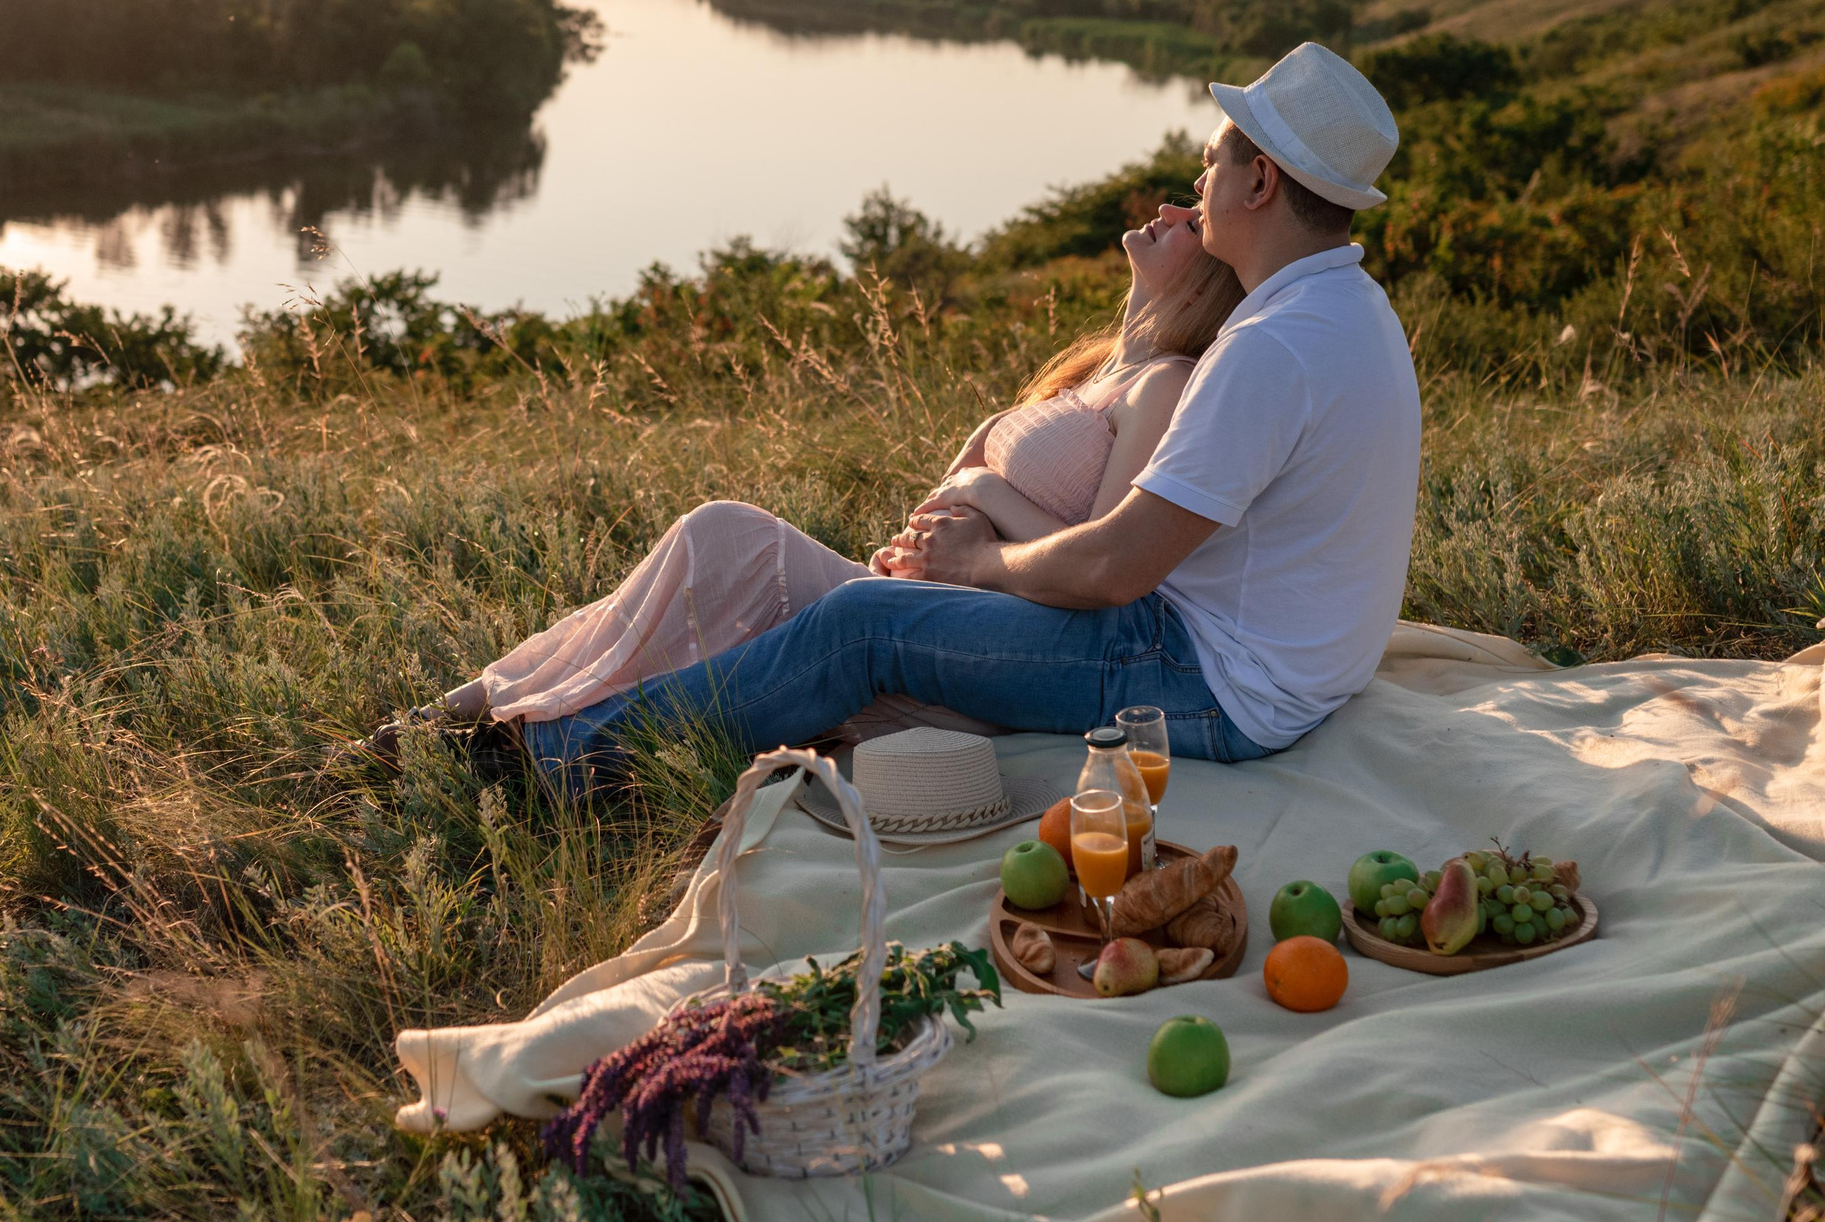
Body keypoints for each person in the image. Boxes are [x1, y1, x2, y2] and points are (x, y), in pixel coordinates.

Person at [424, 41, 1416, 789]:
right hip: (1272, 671)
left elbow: (1116, 569)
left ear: (1260, 179)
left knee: (861, 624)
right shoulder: (1346, 311)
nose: (1196, 186)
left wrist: (978, 562)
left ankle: (548, 767)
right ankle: (527, 715)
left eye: (1209, 162)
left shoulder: (1269, 346)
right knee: (817, 589)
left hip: (1209, 682)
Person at [349, 197, 1243, 772]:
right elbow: (974, 481)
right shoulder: (1097, 366)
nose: (1169, 208)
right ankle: (474, 707)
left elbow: (1099, 558)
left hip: (987, 634)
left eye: (1193, 219)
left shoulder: (1162, 384)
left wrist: (979, 501)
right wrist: (934, 523)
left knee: (724, 542)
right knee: (714, 542)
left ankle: (522, 743)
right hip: (931, 590)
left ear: (1205, 281)